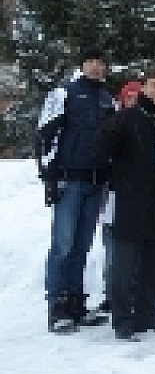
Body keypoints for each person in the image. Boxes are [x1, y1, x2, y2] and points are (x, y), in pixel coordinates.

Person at [98, 71, 155, 341]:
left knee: (154, 264)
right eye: (154, 86)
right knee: (124, 266)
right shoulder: (125, 119)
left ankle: (147, 314)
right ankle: (123, 320)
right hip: (131, 201)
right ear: (143, 88)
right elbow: (103, 150)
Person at [37, 46, 115, 333]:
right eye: (91, 62)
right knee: (63, 245)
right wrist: (49, 177)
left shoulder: (108, 99)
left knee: (82, 246)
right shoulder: (64, 93)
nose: (96, 67)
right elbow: (46, 135)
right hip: (69, 180)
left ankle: (75, 302)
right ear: (82, 64)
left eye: (100, 62)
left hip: (96, 182)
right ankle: (57, 304)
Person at [98, 80, 142, 314]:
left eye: (137, 97)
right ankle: (111, 294)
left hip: (134, 195)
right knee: (112, 247)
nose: (133, 102)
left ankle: (130, 291)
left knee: (132, 248)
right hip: (112, 193)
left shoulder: (142, 124)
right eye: (129, 97)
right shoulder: (113, 122)